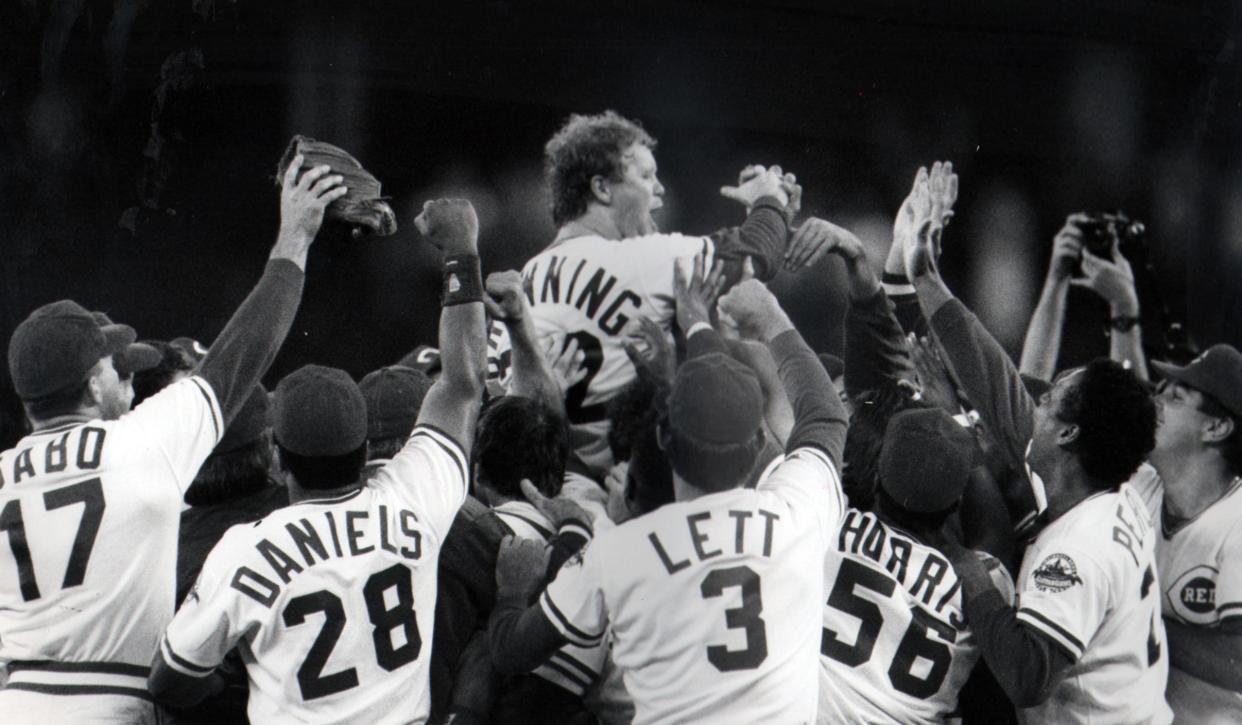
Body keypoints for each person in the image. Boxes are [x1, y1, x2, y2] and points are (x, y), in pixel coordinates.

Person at [0, 157, 346, 723]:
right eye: (117, 368)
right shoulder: (140, 444)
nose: (130, 378)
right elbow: (245, 350)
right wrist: (295, 237)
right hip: (110, 703)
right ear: (91, 383)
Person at [147, 198, 487, 723]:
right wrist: (462, 252)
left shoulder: (246, 549)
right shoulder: (413, 497)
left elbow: (171, 680)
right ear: (365, 453)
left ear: (279, 460)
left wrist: (235, 678)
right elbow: (464, 384)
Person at [489, 276, 849, 723]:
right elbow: (827, 416)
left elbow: (511, 650)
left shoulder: (617, 551)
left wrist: (512, 591)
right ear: (759, 444)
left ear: (661, 436)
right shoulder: (796, 515)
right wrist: (770, 317)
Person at [901, 162, 1171, 723]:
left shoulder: (1079, 546)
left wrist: (969, 572)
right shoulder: (1115, 489)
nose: (1035, 402)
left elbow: (1027, 678)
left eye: (1049, 401)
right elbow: (993, 379)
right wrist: (924, 275)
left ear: (1070, 433)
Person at [498, 110, 799, 477]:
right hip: (632, 495)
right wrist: (771, 199)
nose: (659, 189)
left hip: (551, 488)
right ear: (602, 188)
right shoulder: (640, 260)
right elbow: (758, 252)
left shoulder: (525, 279)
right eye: (645, 176)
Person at [818, 407, 1013, 724]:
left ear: (878, 475)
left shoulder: (829, 523)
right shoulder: (976, 576)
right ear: (955, 504)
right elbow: (996, 534)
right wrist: (966, 450)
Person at [1132, 344, 1242, 723]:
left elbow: (1237, 662)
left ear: (1215, 427)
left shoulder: (1238, 520)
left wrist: (1125, 620)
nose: (1156, 402)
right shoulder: (1138, 484)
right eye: (1158, 391)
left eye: (1175, 397)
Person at [1019, 213, 1149, 382]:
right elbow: (1030, 388)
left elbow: (1131, 404)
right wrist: (1057, 278)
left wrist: (1123, 305)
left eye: (1176, 397)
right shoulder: (1042, 403)